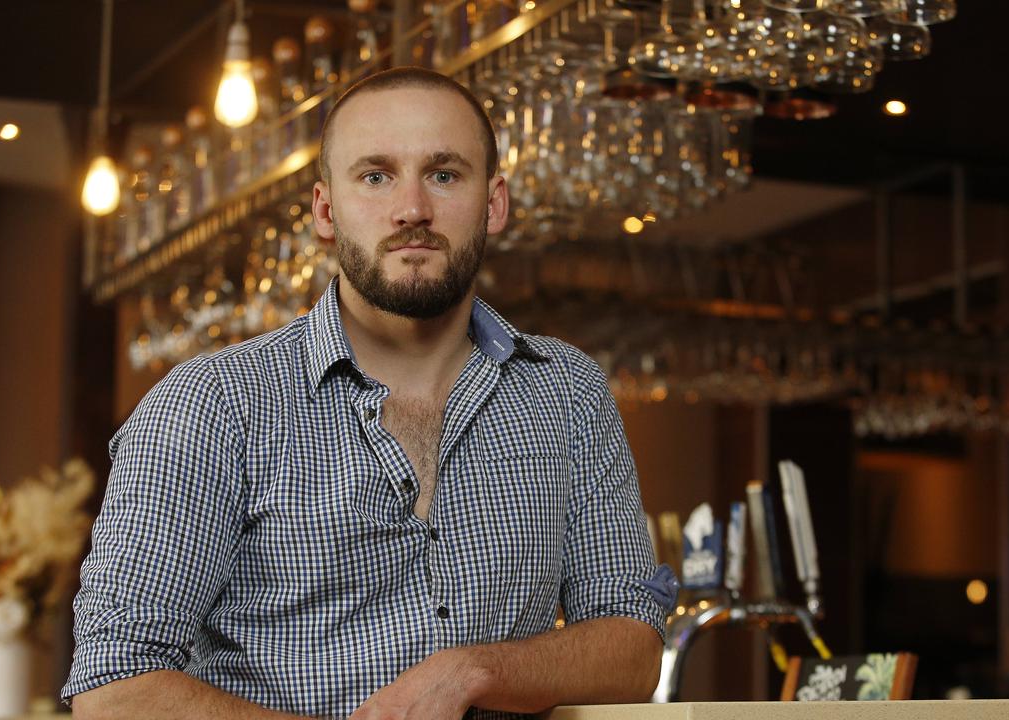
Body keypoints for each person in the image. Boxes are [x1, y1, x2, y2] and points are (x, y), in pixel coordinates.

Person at [64, 67, 677, 720]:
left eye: (444, 174)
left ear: (494, 203)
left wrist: (474, 670)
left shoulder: (568, 393)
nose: (412, 209)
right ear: (326, 211)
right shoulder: (213, 405)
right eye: (376, 175)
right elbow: (115, 688)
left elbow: (633, 648)